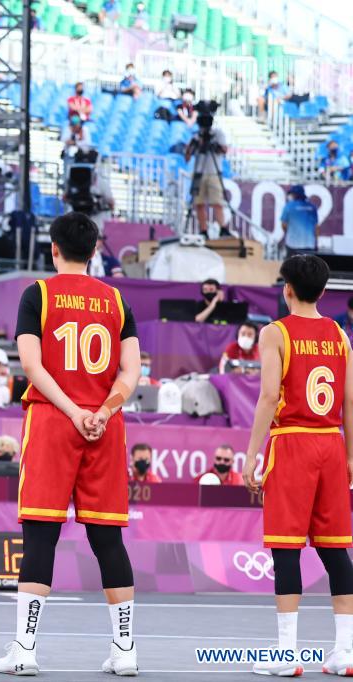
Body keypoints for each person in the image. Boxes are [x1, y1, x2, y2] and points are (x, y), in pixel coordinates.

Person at [0, 211, 140, 676]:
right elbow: (131, 372)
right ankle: (125, 651)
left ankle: (25, 650)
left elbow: (33, 368)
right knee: (108, 539)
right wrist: (102, 410)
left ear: (52, 249)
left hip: (54, 421)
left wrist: (74, 411)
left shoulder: (36, 294)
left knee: (40, 535)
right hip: (105, 425)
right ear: (95, 251)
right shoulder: (117, 300)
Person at [241, 254, 353, 676]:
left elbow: (270, 397)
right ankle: (346, 652)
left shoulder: (276, 333)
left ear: (286, 288)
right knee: (335, 550)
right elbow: (349, 402)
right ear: (324, 292)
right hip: (331, 443)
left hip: (292, 444)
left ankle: (286, 656)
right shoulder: (339, 334)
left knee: (287, 550)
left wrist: (252, 456)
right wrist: (351, 456)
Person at [184, 117, 230, 238]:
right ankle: (203, 231)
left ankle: (223, 228)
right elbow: (187, 157)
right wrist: (192, 146)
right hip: (199, 172)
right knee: (198, 203)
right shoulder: (196, 136)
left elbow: (224, 150)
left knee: (217, 203)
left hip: (213, 172)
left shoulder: (218, 134)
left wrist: (213, 145)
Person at [281, 184, 320, 254]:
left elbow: (284, 225)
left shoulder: (289, 206)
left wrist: (291, 233)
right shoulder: (312, 207)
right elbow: (316, 227)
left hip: (292, 245)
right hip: (309, 245)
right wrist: (316, 243)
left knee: (292, 265)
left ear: (294, 195)